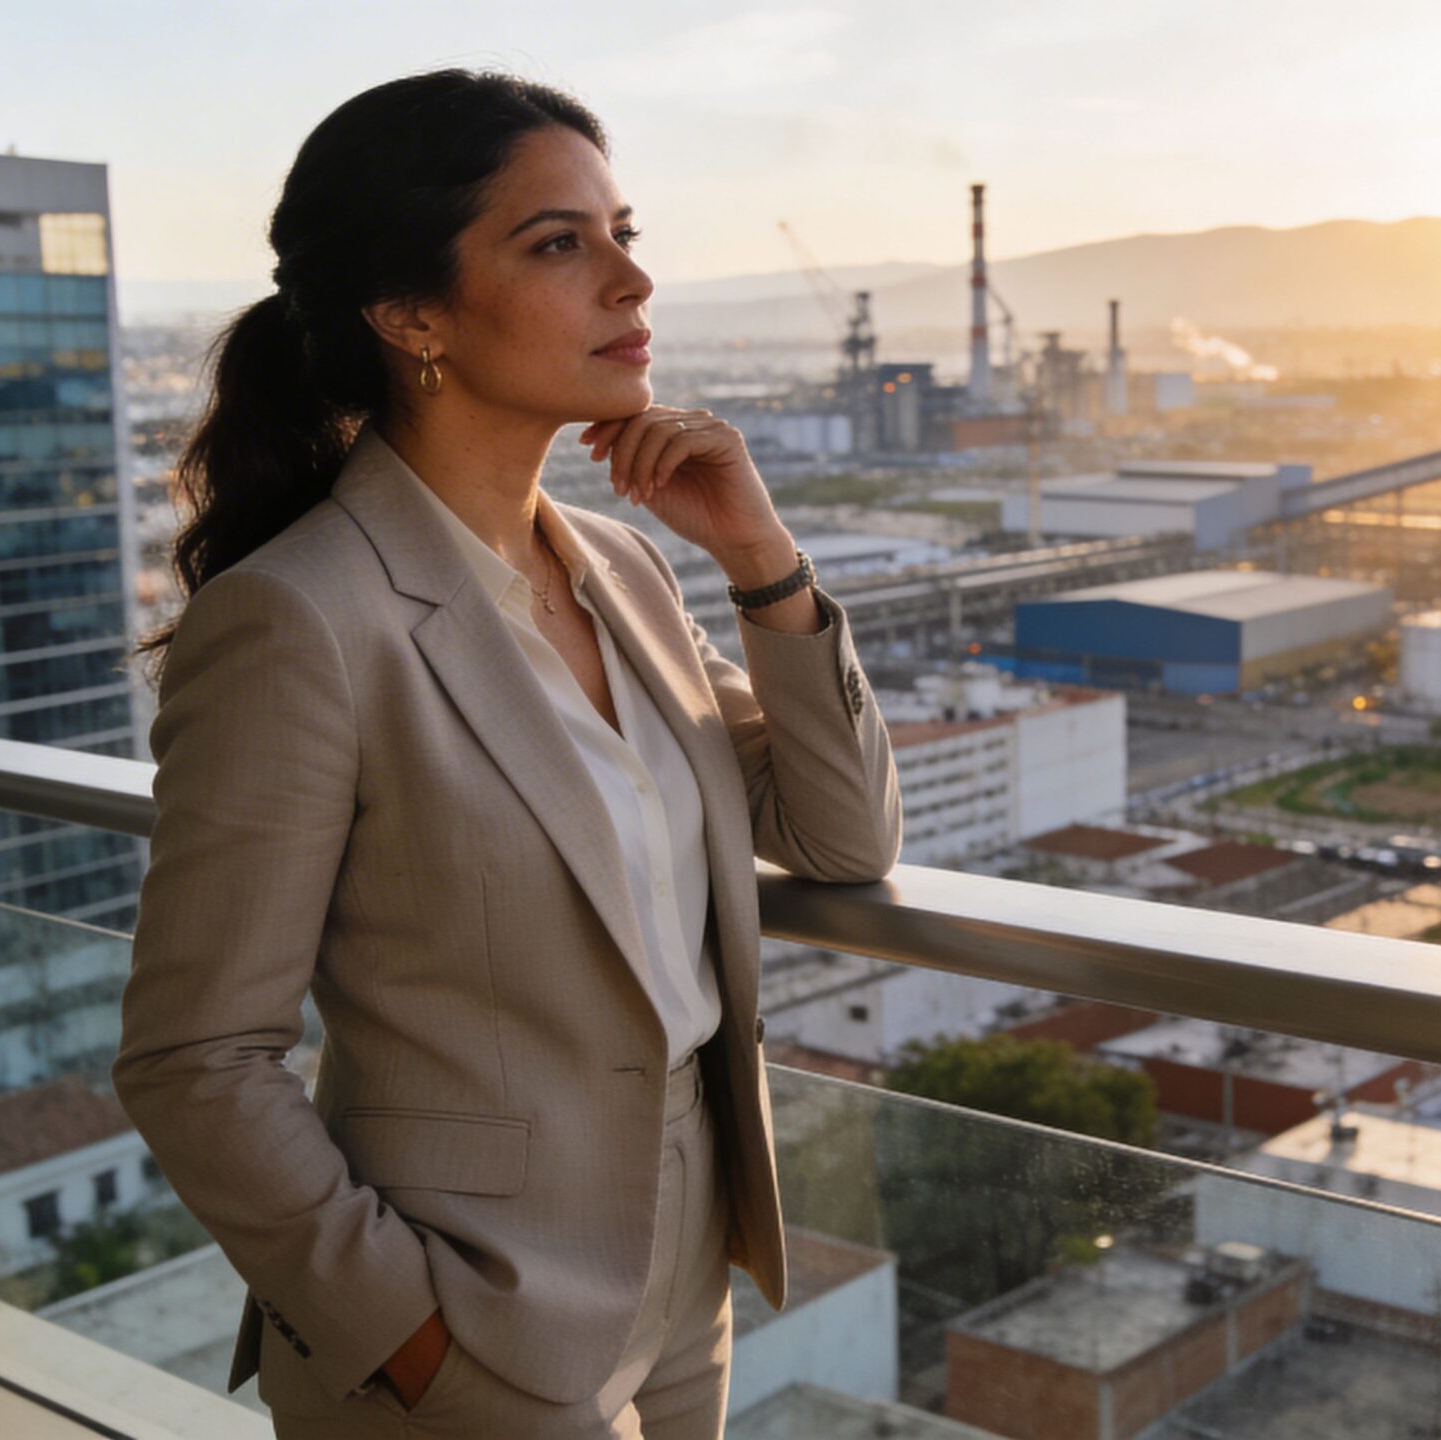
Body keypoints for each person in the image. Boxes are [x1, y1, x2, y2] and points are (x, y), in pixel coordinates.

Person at [112, 69, 902, 1439]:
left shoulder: (627, 568)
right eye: (560, 244)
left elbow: (843, 838)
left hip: (684, 1263)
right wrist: (410, 1342)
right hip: (468, 1314)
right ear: (412, 316)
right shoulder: (300, 617)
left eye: (623, 232)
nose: (632, 283)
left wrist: (763, 563)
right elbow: (196, 1057)